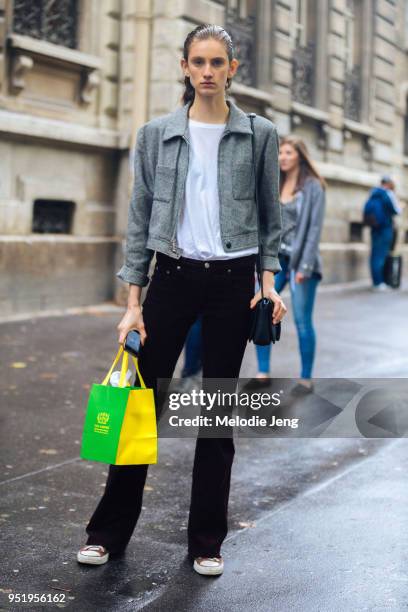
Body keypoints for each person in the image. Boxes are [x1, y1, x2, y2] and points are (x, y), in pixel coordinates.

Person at [76, 24, 286, 576]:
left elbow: (271, 218)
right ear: (186, 66)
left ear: (233, 69)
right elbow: (139, 218)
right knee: (138, 409)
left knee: (216, 416)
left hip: (232, 285)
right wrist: (132, 302)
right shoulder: (155, 135)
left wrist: (269, 285)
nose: (209, 71)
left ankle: (206, 542)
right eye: (199, 61)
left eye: (219, 62)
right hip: (170, 276)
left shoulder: (259, 134)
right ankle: (106, 533)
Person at [249, 135, 326, 392]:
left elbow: (314, 229)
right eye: (280, 152)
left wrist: (303, 268)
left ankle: (305, 377)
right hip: (275, 259)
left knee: (303, 320)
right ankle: (262, 372)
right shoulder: (274, 183)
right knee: (262, 308)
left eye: (288, 153)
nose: (283, 157)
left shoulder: (314, 186)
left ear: (300, 156)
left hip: (302, 262)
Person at [364, 176, 401, 290]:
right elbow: (396, 210)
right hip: (385, 228)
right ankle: (379, 282)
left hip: (375, 228)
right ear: (389, 183)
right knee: (381, 255)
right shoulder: (387, 194)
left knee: (375, 254)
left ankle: (376, 280)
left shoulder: (373, 193)